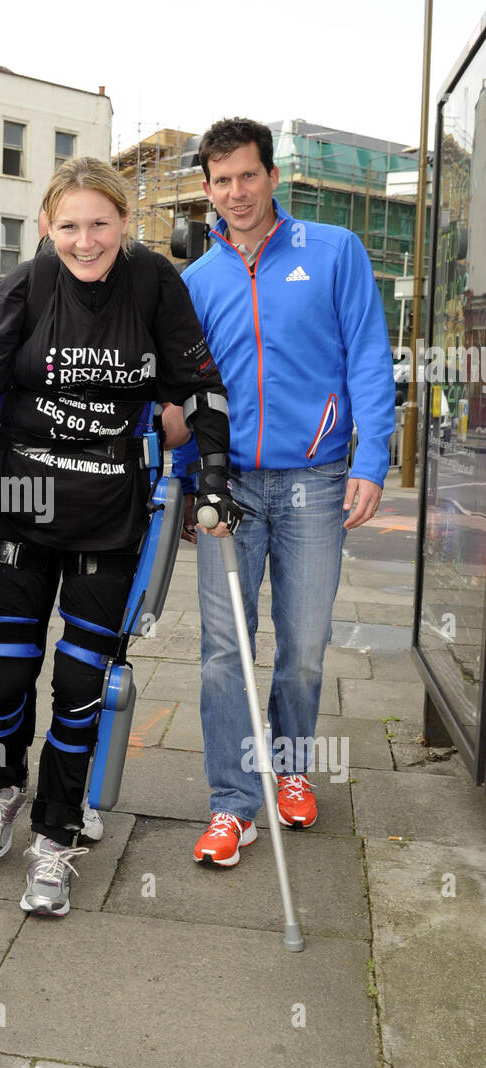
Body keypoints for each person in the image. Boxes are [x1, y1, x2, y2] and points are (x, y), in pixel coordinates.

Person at [0, 156, 237, 916]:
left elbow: (199, 388)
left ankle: (57, 839)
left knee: (83, 687)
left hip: (108, 520)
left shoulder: (155, 284)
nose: (84, 242)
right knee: (5, 677)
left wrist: (213, 480)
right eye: (68, 227)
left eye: (99, 224)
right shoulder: (26, 285)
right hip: (18, 510)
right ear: (47, 228)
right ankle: (1, 788)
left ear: (124, 223)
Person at [171, 117, 396, 868]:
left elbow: (367, 353)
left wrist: (372, 460)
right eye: (221, 180)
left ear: (273, 177)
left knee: (302, 648)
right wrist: (185, 490)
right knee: (222, 651)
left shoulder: (334, 252)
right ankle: (232, 803)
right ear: (207, 190)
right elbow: (185, 391)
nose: (236, 192)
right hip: (228, 486)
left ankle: (293, 766)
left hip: (316, 479)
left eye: (247, 175)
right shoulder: (197, 282)